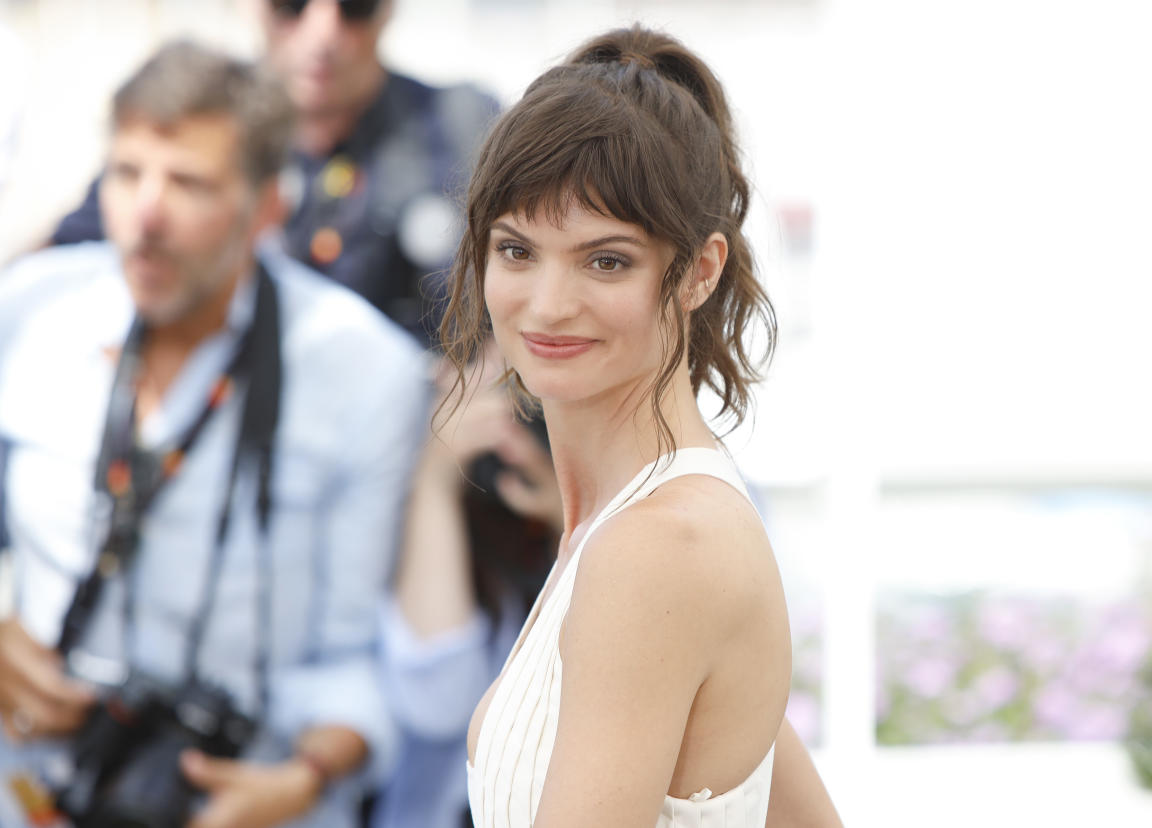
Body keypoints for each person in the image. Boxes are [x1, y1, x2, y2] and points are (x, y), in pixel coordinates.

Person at [0, 41, 424, 828]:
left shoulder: (366, 372)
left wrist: (304, 777)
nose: (147, 215)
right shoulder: (27, 313)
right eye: (127, 173)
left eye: (189, 182)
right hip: (26, 785)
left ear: (269, 205)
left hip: (237, 797)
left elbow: (357, 662)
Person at [440, 24, 844, 828]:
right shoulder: (635, 531)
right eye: (517, 251)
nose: (549, 303)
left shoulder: (655, 550)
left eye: (606, 260)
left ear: (699, 271)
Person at [51, 0, 498, 347]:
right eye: (292, 2)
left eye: (355, 5)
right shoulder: (195, 126)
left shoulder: (463, 128)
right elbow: (57, 275)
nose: (324, 33)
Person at [374, 346, 559, 828]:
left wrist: (577, 515)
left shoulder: (682, 496)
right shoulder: (394, 494)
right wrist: (437, 479)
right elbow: (438, 702)